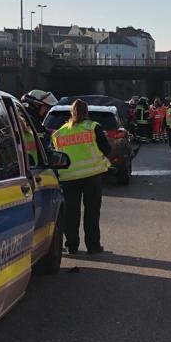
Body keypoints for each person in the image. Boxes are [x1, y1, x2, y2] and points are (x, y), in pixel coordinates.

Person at [50, 99, 111, 255]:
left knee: (71, 213)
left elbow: (55, 155)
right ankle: (93, 247)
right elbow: (107, 148)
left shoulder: (60, 132)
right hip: (92, 176)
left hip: (68, 178)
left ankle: (72, 246)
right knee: (92, 213)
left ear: (71, 112)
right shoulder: (92, 127)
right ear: (86, 112)